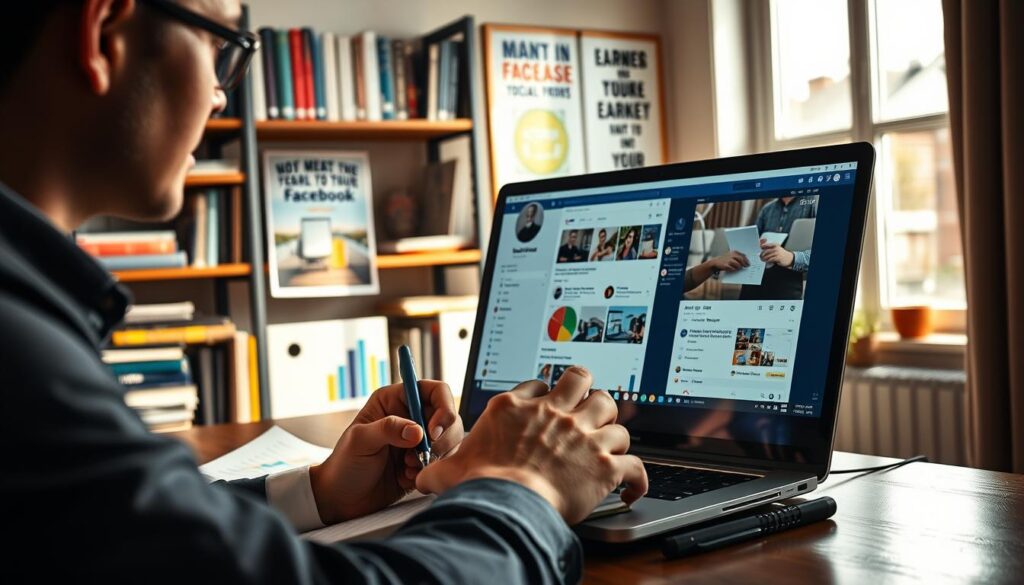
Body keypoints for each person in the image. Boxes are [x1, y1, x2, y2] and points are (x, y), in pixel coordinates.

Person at [0, 1, 647, 581]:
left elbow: (124, 531)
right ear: (104, 31)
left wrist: (318, 494)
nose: (222, 95)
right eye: (220, 44)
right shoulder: (21, 354)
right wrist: (523, 484)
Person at [739, 195, 816, 300]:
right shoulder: (767, 209)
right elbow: (753, 240)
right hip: (758, 274)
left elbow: (825, 256)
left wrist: (791, 258)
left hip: (790, 279)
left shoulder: (813, 203)